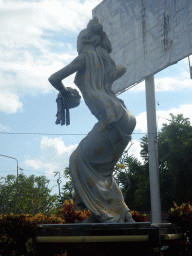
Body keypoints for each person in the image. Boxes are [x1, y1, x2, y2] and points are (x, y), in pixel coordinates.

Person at [48, 17, 136, 223]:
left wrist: (65, 92)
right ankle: (123, 213)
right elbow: (121, 69)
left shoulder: (85, 58)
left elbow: (54, 78)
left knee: (77, 160)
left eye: (78, 39)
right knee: (103, 171)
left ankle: (103, 215)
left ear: (86, 40)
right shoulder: (106, 61)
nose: (76, 44)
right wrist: (105, 74)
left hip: (110, 120)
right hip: (126, 117)